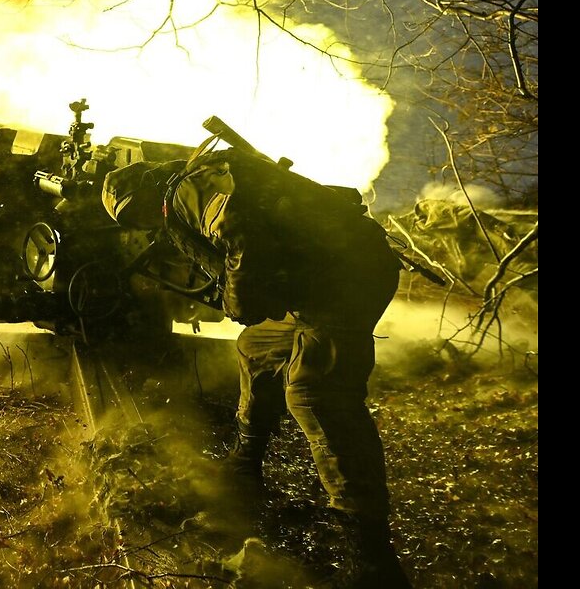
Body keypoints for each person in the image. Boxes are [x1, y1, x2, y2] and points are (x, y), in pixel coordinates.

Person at [101, 145, 410, 588]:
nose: (144, 225)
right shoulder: (190, 187)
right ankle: (247, 463)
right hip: (324, 281)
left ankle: (374, 554)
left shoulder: (187, 189)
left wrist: (237, 297)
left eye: (136, 216)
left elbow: (239, 232)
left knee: (316, 394)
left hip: (345, 281)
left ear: (145, 194)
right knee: (256, 347)